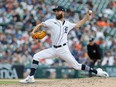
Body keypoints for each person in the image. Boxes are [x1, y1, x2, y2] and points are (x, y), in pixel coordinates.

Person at [20, 6, 109, 83]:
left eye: (58, 11)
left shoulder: (68, 24)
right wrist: (33, 31)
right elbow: (40, 25)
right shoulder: (51, 21)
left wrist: (86, 17)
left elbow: (78, 25)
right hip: (53, 49)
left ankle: (97, 72)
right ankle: (30, 77)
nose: (56, 12)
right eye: (55, 11)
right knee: (36, 56)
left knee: (77, 66)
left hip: (63, 49)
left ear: (62, 12)